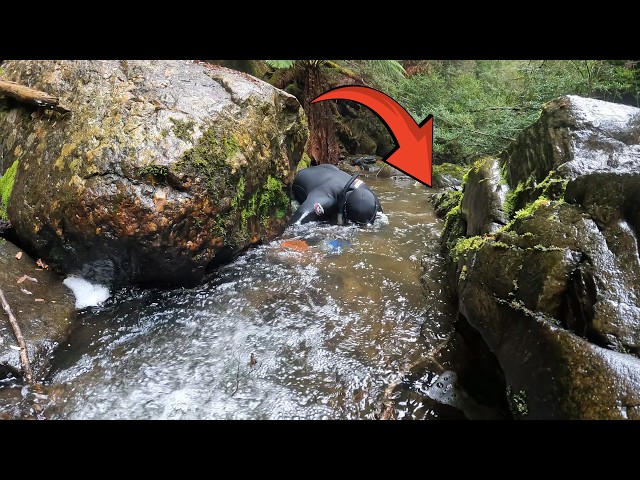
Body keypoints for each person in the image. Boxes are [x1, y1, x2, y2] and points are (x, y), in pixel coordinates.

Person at [289, 164, 383, 225]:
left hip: (332, 169)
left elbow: (382, 220)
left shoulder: (372, 201)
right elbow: (295, 224)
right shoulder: (325, 198)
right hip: (307, 175)